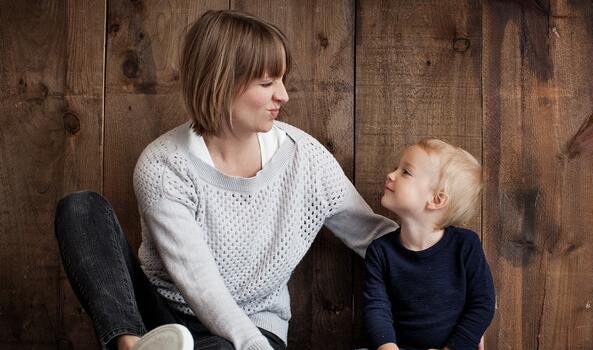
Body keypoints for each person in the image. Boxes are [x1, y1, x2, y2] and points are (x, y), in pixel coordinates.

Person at [54, 9, 397, 350]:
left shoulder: (305, 158)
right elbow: (197, 280)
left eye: (281, 80)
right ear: (221, 83)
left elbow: (373, 237)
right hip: (163, 319)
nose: (284, 95)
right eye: (267, 83)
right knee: (80, 209)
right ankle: (130, 345)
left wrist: (449, 253)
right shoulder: (163, 165)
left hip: (254, 327)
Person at [363, 139, 495, 350]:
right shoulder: (380, 251)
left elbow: (483, 304)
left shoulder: (465, 246)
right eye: (396, 168)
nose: (391, 174)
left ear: (436, 199)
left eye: (405, 172)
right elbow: (376, 308)